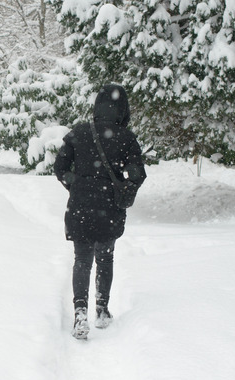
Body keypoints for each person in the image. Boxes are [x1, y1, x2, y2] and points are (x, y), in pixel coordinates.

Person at [54, 84, 147, 340]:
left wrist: (76, 184)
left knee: (82, 260)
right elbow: (138, 173)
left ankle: (80, 312)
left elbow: (60, 166)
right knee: (105, 258)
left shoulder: (79, 133)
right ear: (122, 107)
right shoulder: (126, 137)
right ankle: (102, 310)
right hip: (109, 207)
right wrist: (126, 187)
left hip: (81, 205)